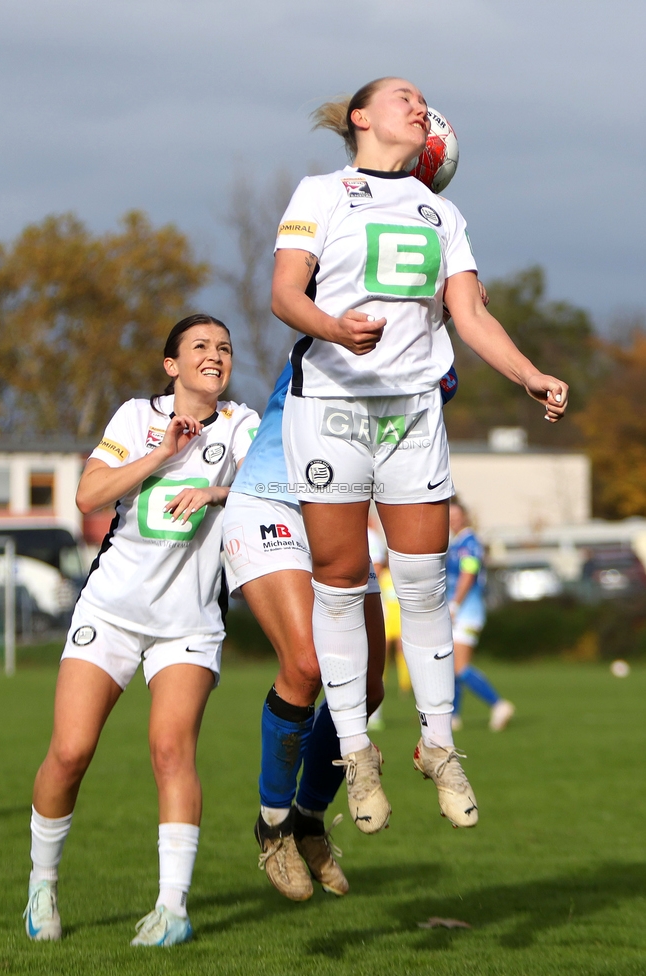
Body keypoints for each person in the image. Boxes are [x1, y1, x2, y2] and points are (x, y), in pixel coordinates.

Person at [271, 76, 569, 836]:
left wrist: (530, 373)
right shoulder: (320, 191)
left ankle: (439, 746)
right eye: (401, 94)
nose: (418, 103)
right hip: (331, 410)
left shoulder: (443, 211)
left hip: (412, 414)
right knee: (340, 583)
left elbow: (470, 314)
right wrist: (334, 330)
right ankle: (357, 754)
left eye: (422, 98)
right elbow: (284, 295)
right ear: (361, 117)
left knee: (425, 581)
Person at [23, 314, 258, 946]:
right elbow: (89, 496)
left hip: (189, 624)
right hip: (111, 613)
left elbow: (277, 495)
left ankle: (172, 910)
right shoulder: (134, 417)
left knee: (170, 751)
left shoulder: (243, 427)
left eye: (225, 348)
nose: (215, 356)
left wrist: (215, 494)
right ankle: (42, 884)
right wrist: (163, 455)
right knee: (70, 752)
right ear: (171, 365)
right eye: (201, 347)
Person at [222, 359, 386, 901]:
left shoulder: (427, 360)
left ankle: (309, 818)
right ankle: (272, 826)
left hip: (338, 512)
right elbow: (289, 294)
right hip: (275, 499)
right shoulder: (326, 329)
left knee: (367, 687)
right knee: (308, 665)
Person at [447, 497, 514, 732]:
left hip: (467, 611)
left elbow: (468, 573)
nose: (453, 521)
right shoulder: (457, 542)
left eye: (456, 517)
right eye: (450, 517)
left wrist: (455, 604)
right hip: (458, 609)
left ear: (464, 516)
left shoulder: (469, 543)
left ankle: (498, 704)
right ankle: (452, 717)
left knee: (459, 667)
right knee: (451, 666)